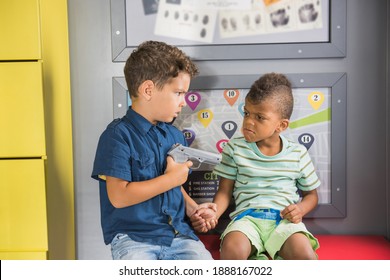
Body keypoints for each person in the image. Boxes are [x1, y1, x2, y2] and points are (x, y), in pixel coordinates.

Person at [91, 40, 216, 260]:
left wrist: (193, 209)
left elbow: (174, 185)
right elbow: (119, 197)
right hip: (134, 240)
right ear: (148, 89)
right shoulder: (117, 136)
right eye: (178, 93)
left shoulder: (175, 136)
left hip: (179, 237)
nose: (184, 102)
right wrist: (171, 179)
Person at [191, 73, 320, 260]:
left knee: (304, 254)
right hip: (246, 221)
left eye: (260, 117)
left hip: (284, 222)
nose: (249, 122)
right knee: (232, 250)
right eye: (247, 113)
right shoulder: (234, 148)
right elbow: (224, 192)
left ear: (281, 125)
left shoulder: (298, 153)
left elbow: (311, 196)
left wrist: (300, 209)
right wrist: (214, 213)